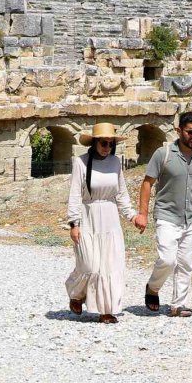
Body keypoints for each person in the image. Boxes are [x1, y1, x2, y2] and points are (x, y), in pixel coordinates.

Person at [136, 111, 192, 317]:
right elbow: (147, 184)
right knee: (167, 259)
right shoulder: (163, 154)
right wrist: (142, 214)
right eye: (190, 132)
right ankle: (153, 288)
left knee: (186, 263)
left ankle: (178, 305)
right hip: (166, 215)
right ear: (179, 131)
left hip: (191, 217)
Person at [65, 123, 145, 323]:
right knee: (89, 265)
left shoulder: (115, 163)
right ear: (94, 142)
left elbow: (121, 194)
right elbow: (75, 195)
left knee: (109, 265)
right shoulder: (81, 163)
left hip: (110, 219)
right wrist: (74, 223)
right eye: (103, 143)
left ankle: (106, 310)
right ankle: (76, 293)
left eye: (111, 144)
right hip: (88, 216)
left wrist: (132, 216)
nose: (107, 147)